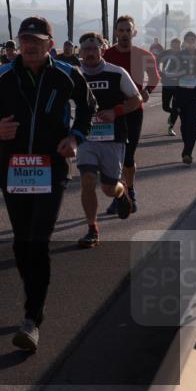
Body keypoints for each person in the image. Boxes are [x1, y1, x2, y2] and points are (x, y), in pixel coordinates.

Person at [0, 16, 94, 352]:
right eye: (25, 40)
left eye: (37, 40)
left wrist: (76, 137)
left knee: (38, 240)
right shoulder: (1, 76)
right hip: (14, 170)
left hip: (51, 169)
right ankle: (35, 295)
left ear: (50, 43)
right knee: (22, 243)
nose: (30, 46)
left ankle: (32, 318)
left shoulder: (67, 74)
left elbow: (87, 108)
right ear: (18, 43)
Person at [74, 32, 140, 248]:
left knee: (109, 188)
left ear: (102, 49)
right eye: (86, 49)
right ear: (80, 52)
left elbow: (136, 99)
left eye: (94, 49)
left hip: (113, 138)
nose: (90, 53)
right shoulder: (74, 76)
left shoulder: (116, 73)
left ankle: (121, 194)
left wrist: (115, 111)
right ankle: (92, 229)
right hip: (86, 138)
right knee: (88, 180)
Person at [103, 15, 160, 214]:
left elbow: (154, 77)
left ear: (134, 32)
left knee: (128, 156)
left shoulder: (143, 55)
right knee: (113, 157)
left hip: (134, 111)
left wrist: (147, 91)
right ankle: (120, 195)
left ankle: (130, 191)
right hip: (112, 113)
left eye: (128, 30)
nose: (125, 34)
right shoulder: (106, 55)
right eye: (121, 30)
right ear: (116, 32)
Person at [171, 32, 196, 165]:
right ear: (184, 42)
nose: (190, 42)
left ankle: (188, 152)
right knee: (184, 125)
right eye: (188, 40)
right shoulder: (178, 56)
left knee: (192, 123)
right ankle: (186, 148)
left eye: (192, 39)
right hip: (181, 95)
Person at [159, 38, 183, 137]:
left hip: (179, 85)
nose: (175, 47)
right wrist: (160, 73)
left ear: (180, 45)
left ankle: (171, 127)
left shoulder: (183, 54)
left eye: (177, 45)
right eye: (174, 44)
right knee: (165, 107)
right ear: (171, 45)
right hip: (167, 84)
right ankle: (173, 113)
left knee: (176, 106)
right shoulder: (165, 53)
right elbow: (158, 63)